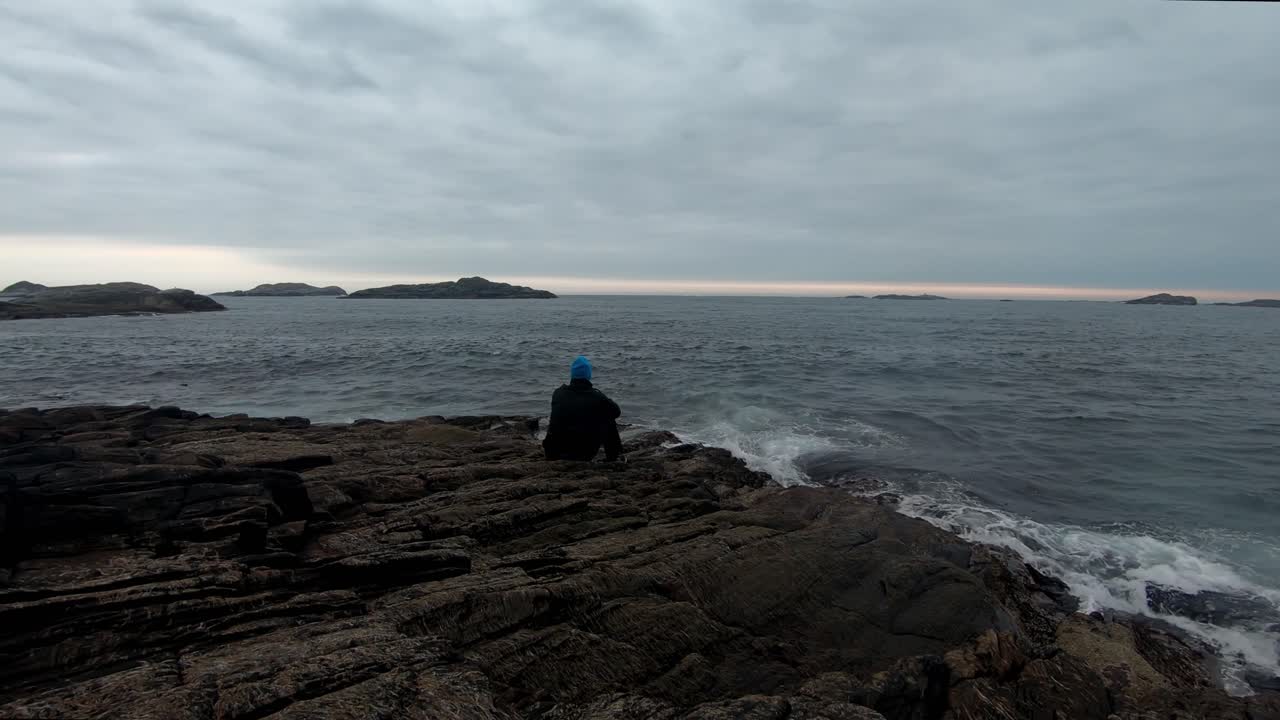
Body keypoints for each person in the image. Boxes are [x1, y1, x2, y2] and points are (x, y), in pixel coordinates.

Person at [542, 355, 624, 462]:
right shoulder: (597, 397)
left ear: (572, 374)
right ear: (588, 375)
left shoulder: (558, 393)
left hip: (552, 452)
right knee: (607, 418)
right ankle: (614, 458)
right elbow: (616, 412)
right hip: (581, 454)